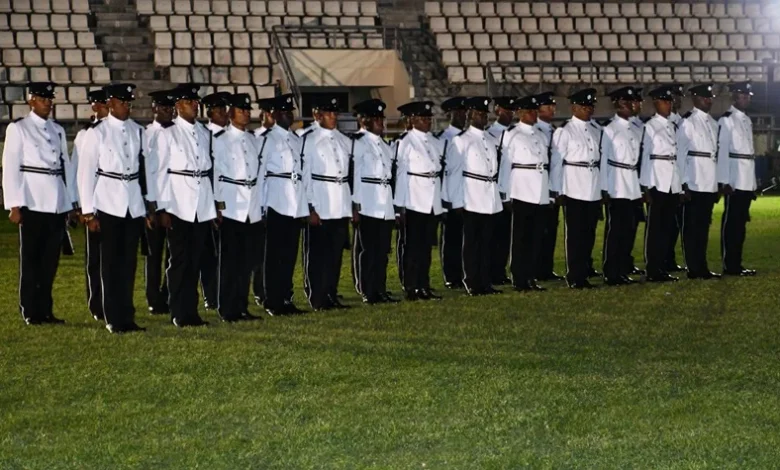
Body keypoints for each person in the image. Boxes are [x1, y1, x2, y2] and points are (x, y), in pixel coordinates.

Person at [78, 83, 154, 333]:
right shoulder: (97, 132)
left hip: (132, 204)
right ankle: (113, 316)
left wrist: (148, 205)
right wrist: (88, 211)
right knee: (110, 264)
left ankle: (127, 315)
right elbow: (86, 173)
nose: (127, 106)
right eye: (122, 102)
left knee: (128, 263)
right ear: (110, 103)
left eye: (129, 102)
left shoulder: (137, 131)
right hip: (107, 203)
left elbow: (144, 170)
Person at [2, 81, 78, 325]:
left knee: (49, 262)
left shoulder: (56, 130)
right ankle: (30, 310)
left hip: (55, 201)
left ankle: (46, 309)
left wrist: (70, 202)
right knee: (31, 260)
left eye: (50, 99)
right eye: (43, 99)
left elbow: (65, 166)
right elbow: (11, 168)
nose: (48, 103)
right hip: (32, 201)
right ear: (31, 101)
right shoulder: (19, 129)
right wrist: (13, 203)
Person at [156, 84, 223, 327]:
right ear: (177, 106)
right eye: (188, 101)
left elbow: (209, 171)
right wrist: (162, 208)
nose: (195, 105)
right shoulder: (167, 134)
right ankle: (177, 310)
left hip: (201, 203)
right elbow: (160, 172)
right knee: (179, 261)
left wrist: (214, 204)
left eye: (196, 101)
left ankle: (191, 311)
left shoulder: (204, 133)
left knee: (195, 261)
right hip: (178, 203)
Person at [212, 93, 265, 322]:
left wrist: (260, 205)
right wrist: (219, 206)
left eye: (247, 109)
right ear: (230, 113)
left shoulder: (253, 140)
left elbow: (259, 175)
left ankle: (242, 306)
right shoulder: (221, 139)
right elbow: (216, 175)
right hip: (232, 205)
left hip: (251, 207)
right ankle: (227, 307)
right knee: (230, 261)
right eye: (240, 110)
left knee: (247, 261)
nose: (245, 113)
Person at [446, 96, 503, 296]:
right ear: (469, 115)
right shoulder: (461, 140)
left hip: (489, 196)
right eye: (479, 114)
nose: (483, 118)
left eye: (485, 114)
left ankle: (485, 281)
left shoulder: (490, 139)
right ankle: (471, 281)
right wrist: (456, 201)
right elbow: (454, 172)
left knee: (488, 243)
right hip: (471, 196)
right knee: (471, 244)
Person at [300, 97, 352, 311]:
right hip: (321, 201)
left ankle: (331, 292)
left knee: (335, 253)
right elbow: (305, 176)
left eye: (335, 113)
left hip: (340, 201)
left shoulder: (343, 140)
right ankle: (317, 296)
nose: (334, 117)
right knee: (318, 253)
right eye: (329, 113)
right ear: (317, 115)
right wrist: (310, 207)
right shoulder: (309, 139)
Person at [258, 94, 307, 316]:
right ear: (275, 115)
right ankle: (272, 300)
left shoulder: (296, 139)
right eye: (285, 113)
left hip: (294, 201)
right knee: (273, 255)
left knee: (289, 254)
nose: (289, 116)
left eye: (291, 112)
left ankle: (286, 297)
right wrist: (261, 205)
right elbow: (261, 175)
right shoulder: (267, 139)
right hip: (275, 200)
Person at [549, 88, 602, 289]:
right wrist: (557, 190)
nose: (588, 110)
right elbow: (556, 162)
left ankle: (584, 270)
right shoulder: (565, 131)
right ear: (574, 108)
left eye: (590, 106)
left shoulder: (596, 129)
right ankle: (575, 275)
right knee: (576, 234)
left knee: (589, 232)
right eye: (584, 106)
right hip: (573, 186)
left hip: (592, 186)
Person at [394, 101, 444, 301]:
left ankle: (424, 285)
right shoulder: (406, 141)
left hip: (431, 199)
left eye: (428, 118)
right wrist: (400, 206)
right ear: (412, 120)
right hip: (414, 199)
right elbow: (400, 174)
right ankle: (412, 286)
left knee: (425, 247)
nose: (427, 122)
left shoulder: (433, 141)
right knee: (413, 246)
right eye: (423, 118)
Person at [499, 94, 549, 292]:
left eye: (535, 111)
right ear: (520, 113)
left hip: (540, 190)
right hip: (521, 189)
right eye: (530, 111)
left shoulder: (540, 134)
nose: (534, 114)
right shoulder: (512, 134)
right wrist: (505, 192)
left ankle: (531, 275)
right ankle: (519, 277)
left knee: (536, 237)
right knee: (521, 237)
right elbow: (505, 165)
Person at [351, 99, 398, 304]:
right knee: (368, 249)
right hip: (368, 202)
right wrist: (355, 204)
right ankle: (367, 290)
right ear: (364, 121)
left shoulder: (384, 145)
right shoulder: (358, 143)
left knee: (382, 250)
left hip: (384, 202)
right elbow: (354, 175)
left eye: (382, 118)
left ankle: (380, 288)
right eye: (376, 119)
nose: (381, 122)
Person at [677, 83, 721, 280]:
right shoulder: (688, 122)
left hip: (708, 182)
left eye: (710, 97)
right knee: (692, 228)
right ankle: (694, 267)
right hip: (694, 182)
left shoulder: (713, 123)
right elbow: (680, 155)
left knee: (703, 227)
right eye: (705, 97)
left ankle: (701, 266)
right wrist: (683, 183)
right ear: (694, 98)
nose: (709, 100)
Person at [600, 86, 643, 286]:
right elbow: (602, 160)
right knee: (616, 230)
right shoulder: (609, 129)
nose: (635, 105)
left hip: (632, 182)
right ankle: (612, 271)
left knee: (629, 228)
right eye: (631, 101)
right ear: (620, 104)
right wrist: (604, 187)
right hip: (616, 182)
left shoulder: (634, 127)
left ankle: (622, 268)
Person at [640, 85, 683, 283]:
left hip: (672, 182)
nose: (668, 105)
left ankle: (663, 265)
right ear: (656, 104)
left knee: (667, 227)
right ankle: (653, 269)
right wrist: (646, 186)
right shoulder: (650, 126)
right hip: (658, 182)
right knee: (656, 228)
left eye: (670, 101)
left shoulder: (671, 125)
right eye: (665, 102)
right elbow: (646, 157)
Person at [73, 88, 109, 321]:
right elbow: (79, 171)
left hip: (114, 201)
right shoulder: (86, 134)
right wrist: (80, 206)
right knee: (95, 258)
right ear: (95, 106)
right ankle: (96, 302)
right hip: (95, 203)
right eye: (104, 104)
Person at [718, 81, 757, 277]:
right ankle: (730, 264)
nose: (746, 98)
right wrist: (724, 180)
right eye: (743, 95)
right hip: (734, 179)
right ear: (734, 96)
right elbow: (723, 152)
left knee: (740, 224)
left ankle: (737, 263)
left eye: (748, 95)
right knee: (732, 224)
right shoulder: (727, 120)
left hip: (745, 179)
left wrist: (752, 184)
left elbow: (749, 155)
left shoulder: (745, 120)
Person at [143, 88, 177, 315]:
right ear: (154, 108)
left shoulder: (179, 132)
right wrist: (150, 207)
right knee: (154, 254)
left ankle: (169, 293)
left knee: (174, 254)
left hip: (177, 202)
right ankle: (154, 298)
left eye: (170, 107)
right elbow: (146, 174)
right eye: (163, 107)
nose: (168, 111)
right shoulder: (146, 134)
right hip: (155, 202)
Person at [198, 90, 232, 310]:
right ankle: (211, 294)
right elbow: (210, 173)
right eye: (219, 110)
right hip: (212, 200)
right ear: (210, 113)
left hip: (232, 200)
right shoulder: (207, 136)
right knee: (210, 254)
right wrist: (214, 204)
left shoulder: (231, 135)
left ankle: (225, 292)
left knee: (228, 253)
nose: (224, 114)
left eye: (225, 110)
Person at [437, 96, 468, 289]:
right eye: (458, 112)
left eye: (464, 112)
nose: (462, 116)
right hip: (450, 194)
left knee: (468, 237)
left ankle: (466, 272)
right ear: (449, 114)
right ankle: (451, 274)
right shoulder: (444, 138)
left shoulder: (468, 137)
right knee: (451, 238)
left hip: (469, 195)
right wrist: (445, 199)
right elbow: (441, 172)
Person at [533, 91, 564, 282]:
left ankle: (546, 268)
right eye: (548, 106)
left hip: (552, 187)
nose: (552, 109)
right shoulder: (535, 131)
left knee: (551, 229)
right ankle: (535, 268)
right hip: (538, 188)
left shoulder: (553, 130)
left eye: (553, 105)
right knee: (537, 230)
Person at [485, 97, 515, 285]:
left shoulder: (514, 133)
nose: (510, 114)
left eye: (512, 110)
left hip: (512, 188)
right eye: (506, 110)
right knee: (492, 234)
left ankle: (501, 271)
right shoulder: (490, 134)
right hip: (494, 189)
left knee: (505, 235)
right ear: (497, 111)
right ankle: (491, 271)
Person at [250, 97, 276, 307]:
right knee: (259, 253)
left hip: (274, 202)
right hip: (260, 202)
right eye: (271, 114)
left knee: (273, 252)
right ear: (263, 116)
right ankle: (260, 290)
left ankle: (272, 289)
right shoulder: (257, 138)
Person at [665, 84, 686, 272]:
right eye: (672, 97)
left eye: (678, 97)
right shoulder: (662, 122)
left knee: (676, 225)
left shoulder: (684, 122)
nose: (676, 101)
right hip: (666, 180)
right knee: (664, 223)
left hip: (680, 179)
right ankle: (661, 260)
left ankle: (669, 259)